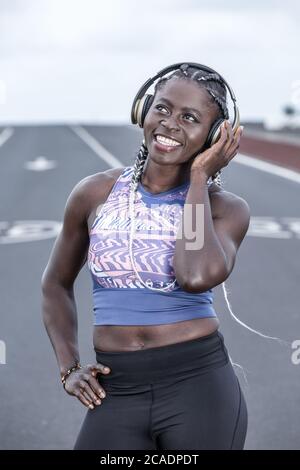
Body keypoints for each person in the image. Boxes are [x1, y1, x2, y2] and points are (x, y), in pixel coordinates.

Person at [41, 63, 250, 450]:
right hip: (116, 389)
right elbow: (55, 283)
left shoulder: (226, 209)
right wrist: (68, 366)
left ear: (215, 135)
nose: (170, 123)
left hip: (198, 388)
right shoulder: (94, 194)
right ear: (143, 111)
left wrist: (200, 178)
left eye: (190, 117)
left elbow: (195, 274)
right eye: (163, 108)